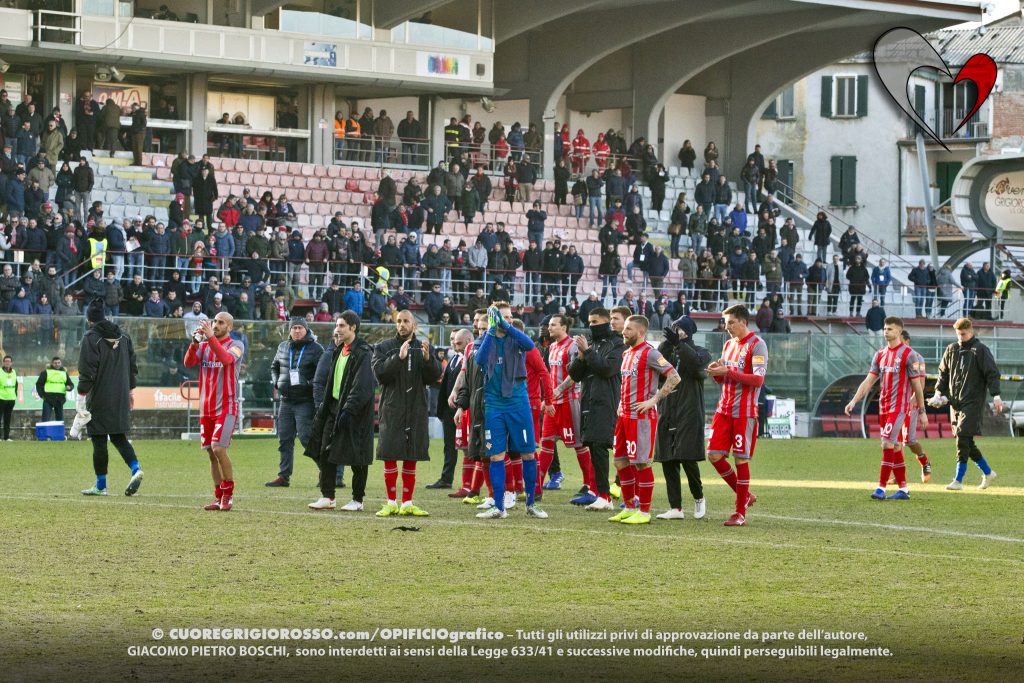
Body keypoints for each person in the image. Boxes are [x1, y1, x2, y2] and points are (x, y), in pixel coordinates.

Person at [472, 303, 546, 519]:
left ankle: (531, 504)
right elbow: (479, 360)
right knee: (496, 455)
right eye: (503, 317)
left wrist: (507, 326)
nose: (508, 320)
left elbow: (530, 344)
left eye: (509, 316)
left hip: (518, 404)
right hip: (494, 406)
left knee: (528, 452)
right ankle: (499, 507)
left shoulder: (516, 338)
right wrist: (492, 330)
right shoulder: (487, 340)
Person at [608, 315, 681, 525]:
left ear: (641, 332)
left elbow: (674, 376)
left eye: (629, 329)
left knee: (641, 463)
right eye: (625, 328)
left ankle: (645, 512)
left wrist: (654, 400)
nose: (624, 332)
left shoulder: (651, 353)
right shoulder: (626, 353)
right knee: (620, 461)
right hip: (624, 416)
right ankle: (630, 508)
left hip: (641, 418)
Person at [844, 317, 927, 500]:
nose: (886, 332)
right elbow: (868, 381)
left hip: (899, 407)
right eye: (884, 329)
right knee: (895, 446)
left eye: (890, 329)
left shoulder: (909, 355)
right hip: (884, 407)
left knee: (886, 443)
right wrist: (854, 400)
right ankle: (903, 490)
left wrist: (922, 411)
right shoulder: (880, 354)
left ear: (899, 332)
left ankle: (880, 488)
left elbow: (917, 385)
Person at [371, 310, 441, 517]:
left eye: (406, 321)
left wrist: (428, 360)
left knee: (412, 456)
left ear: (414, 325)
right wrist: (398, 358)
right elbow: (380, 374)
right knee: (390, 454)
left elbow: (435, 376)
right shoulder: (383, 347)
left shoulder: (424, 347)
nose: (402, 325)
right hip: (393, 409)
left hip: (416, 409)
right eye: (399, 321)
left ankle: (407, 502)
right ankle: (391, 502)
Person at [306, 312, 376, 511]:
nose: (337, 329)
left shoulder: (363, 352)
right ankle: (328, 496)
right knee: (325, 451)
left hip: (354, 412)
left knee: (357, 456)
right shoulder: (338, 350)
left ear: (353, 327)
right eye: (337, 325)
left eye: (342, 325)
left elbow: (362, 386)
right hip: (333, 408)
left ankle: (358, 500)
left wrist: (349, 409)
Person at [706, 305, 767, 526]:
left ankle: (740, 513)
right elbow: (725, 378)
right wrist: (716, 372)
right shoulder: (728, 345)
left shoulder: (757, 345)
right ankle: (746, 495)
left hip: (744, 412)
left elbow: (758, 380)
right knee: (713, 455)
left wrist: (728, 372)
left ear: (743, 322)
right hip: (723, 410)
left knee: (741, 459)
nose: (727, 327)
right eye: (726, 323)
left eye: (731, 322)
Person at [75, 300, 144, 497]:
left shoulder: (91, 338)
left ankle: (101, 486)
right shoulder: (124, 337)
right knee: (119, 437)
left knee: (98, 440)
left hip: (100, 397)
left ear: (89, 320)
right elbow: (132, 367)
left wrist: (81, 395)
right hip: (121, 396)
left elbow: (87, 370)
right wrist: (130, 391)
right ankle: (136, 469)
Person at [930, 318, 1003, 491]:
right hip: (955, 402)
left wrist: (996, 396)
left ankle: (958, 480)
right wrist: (938, 393)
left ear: (971, 332)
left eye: (963, 334)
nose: (960, 338)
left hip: (973, 402)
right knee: (966, 441)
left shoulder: (980, 350)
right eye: (958, 334)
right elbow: (943, 373)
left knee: (962, 437)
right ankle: (988, 473)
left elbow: (992, 373)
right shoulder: (951, 349)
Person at [183, 313, 244, 511]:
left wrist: (209, 337)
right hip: (206, 409)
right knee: (211, 453)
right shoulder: (204, 346)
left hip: (226, 407)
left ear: (229, 327)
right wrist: (194, 344)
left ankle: (228, 494)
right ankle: (218, 497)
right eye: (214, 321)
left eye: (220, 322)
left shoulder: (236, 345)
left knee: (219, 449)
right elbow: (188, 363)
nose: (216, 325)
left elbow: (226, 359)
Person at [567, 307, 626, 511]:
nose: (590, 325)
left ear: (605, 322)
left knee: (602, 446)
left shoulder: (617, 344)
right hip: (588, 401)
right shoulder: (591, 344)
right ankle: (602, 495)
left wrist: (588, 352)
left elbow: (607, 369)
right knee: (593, 446)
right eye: (589, 322)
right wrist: (581, 356)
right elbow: (574, 374)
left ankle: (612, 495)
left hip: (607, 402)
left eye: (594, 322)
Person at [537, 314, 597, 506]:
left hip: (569, 402)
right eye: (549, 325)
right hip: (553, 404)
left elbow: (576, 374)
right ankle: (536, 486)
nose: (549, 328)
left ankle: (590, 485)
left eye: (553, 325)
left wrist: (558, 390)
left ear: (564, 327)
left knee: (579, 445)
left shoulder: (572, 346)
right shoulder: (552, 347)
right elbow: (549, 375)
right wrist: (547, 398)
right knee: (546, 443)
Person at [654, 315, 710, 520]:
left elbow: (697, 366)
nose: (677, 332)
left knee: (687, 457)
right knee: (668, 458)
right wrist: (666, 344)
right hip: (667, 408)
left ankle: (698, 497)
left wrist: (679, 345)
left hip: (689, 410)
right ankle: (675, 507)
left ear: (689, 331)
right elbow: (657, 368)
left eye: (680, 328)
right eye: (674, 328)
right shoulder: (668, 351)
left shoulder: (701, 351)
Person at [266, 319, 323, 488]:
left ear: (306, 330)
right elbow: (274, 366)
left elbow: (322, 373)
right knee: (284, 439)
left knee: (306, 438)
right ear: (290, 330)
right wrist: (277, 382)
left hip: (305, 401)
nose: (297, 331)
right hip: (286, 401)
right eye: (294, 328)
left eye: (300, 328)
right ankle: (284, 476)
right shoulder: (283, 346)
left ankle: (326, 471)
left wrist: (308, 384)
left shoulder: (316, 349)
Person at [427, 329, 473, 490]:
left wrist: (462, 404)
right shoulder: (453, 359)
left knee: (468, 447)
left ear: (468, 340)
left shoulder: (470, 359)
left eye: (457, 341)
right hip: (449, 411)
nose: (453, 343)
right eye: (452, 339)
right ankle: (446, 478)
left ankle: (471, 483)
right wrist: (441, 410)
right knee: (449, 446)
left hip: (464, 409)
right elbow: (445, 386)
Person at [36, 356, 74, 424]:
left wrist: (69, 387)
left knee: (60, 421)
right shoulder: (46, 372)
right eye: (55, 363)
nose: (57, 364)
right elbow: (39, 384)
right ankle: (45, 431)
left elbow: (71, 384)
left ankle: (59, 431)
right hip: (48, 399)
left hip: (60, 399)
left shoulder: (64, 373)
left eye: (58, 363)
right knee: (45, 419)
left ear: (61, 363)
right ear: (52, 363)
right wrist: (42, 396)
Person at [0, 355, 20, 441]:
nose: (7, 363)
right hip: (1, 398)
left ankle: (6, 437)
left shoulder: (14, 372)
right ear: (3, 362)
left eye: (9, 361)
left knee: (7, 419)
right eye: (6, 361)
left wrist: (14, 394)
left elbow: (16, 384)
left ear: (11, 363)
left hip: (11, 399)